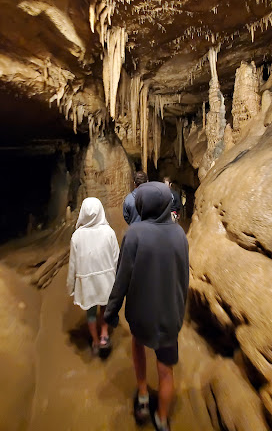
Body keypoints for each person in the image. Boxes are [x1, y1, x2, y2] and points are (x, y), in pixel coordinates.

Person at [105, 182, 189, 431]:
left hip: (141, 313)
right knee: (166, 372)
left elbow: (122, 279)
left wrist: (111, 312)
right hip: (169, 316)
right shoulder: (179, 234)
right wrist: (179, 311)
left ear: (142, 204)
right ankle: (162, 419)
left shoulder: (134, 233)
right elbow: (183, 278)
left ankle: (142, 396)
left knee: (138, 345)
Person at [67, 197, 119, 357]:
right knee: (104, 306)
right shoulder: (109, 232)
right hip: (106, 279)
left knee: (90, 311)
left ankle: (95, 342)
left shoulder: (77, 236)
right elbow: (116, 258)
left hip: (87, 281)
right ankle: (104, 335)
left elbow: (72, 264)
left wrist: (71, 285)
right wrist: (118, 280)